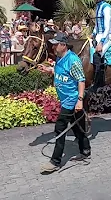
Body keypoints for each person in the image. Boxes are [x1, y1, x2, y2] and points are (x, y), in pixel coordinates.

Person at [36, 32, 91, 173]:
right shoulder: (61, 58)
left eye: (55, 44)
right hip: (66, 100)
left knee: (60, 129)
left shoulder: (73, 60)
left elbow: (81, 80)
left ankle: (55, 161)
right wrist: (49, 70)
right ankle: (85, 150)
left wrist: (79, 101)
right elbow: (62, 72)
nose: (53, 47)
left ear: (63, 45)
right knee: (78, 127)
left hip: (71, 101)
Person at [86, 0, 111, 95]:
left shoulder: (107, 8)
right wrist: (92, 35)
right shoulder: (98, 7)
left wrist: (101, 43)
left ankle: (98, 85)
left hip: (107, 37)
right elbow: (97, 26)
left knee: (97, 55)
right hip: (98, 36)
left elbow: (107, 28)